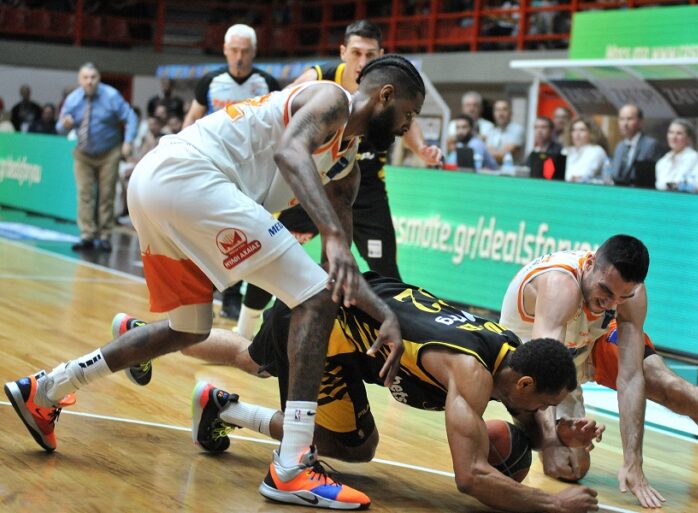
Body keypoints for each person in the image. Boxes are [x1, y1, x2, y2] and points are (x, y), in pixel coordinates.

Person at [4, 54, 430, 510]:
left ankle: (46, 389)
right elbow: (290, 153)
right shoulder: (331, 99)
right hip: (189, 176)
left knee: (188, 329)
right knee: (314, 297)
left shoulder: (345, 167)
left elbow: (337, 273)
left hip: (157, 185)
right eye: (408, 113)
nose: (408, 126)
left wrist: (383, 314)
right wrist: (330, 238)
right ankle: (291, 467)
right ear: (385, 96)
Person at [116, 273, 602, 513]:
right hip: (324, 328)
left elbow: (518, 407)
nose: (541, 413)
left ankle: (144, 337)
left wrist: (553, 437)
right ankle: (226, 410)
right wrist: (552, 504)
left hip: (341, 302)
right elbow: (470, 477)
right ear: (524, 383)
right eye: (544, 405)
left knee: (252, 358)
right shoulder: (471, 373)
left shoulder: (509, 351)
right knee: (356, 446)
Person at [498, 234, 698, 509]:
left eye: (621, 297)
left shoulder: (629, 295)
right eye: (605, 292)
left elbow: (631, 379)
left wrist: (633, 460)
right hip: (532, 367)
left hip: (585, 347)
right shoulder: (561, 285)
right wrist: (551, 439)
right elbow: (544, 370)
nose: (610, 304)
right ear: (590, 265)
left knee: (669, 386)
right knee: (570, 466)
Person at [234, 20, 442, 339]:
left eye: (370, 54)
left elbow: (406, 120)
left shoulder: (389, 88)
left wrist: (421, 150)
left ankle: (395, 337)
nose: (362, 60)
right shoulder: (320, 81)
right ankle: (246, 328)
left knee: (385, 268)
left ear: (380, 54)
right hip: (312, 177)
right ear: (343, 52)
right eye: (356, 53)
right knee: (277, 252)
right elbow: (284, 118)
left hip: (365, 186)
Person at [182, 23, 281, 320]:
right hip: (214, 166)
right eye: (234, 50)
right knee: (207, 231)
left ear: (254, 52)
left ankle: (231, 296)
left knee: (240, 234)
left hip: (254, 170)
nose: (239, 57)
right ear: (225, 50)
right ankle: (200, 292)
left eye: (245, 51)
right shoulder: (210, 81)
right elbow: (192, 119)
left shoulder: (267, 82)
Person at [55, 62, 138, 253]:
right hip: (83, 153)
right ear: (80, 80)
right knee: (85, 194)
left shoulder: (111, 96)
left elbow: (130, 117)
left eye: (93, 77)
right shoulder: (73, 100)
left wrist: (128, 141)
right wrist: (65, 125)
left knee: (106, 195)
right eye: (85, 78)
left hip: (109, 152)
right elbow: (59, 128)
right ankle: (87, 235)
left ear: (99, 78)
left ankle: (105, 236)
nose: (89, 81)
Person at [606, 104, 664, 186]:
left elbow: (650, 178)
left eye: (629, 119)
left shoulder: (651, 145)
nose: (625, 123)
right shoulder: (620, 146)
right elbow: (614, 174)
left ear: (640, 122)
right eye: (621, 119)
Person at [654, 118, 698, 191]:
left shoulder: (692, 157)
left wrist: (669, 185)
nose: (674, 137)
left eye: (679, 133)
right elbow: (659, 184)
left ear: (688, 138)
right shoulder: (662, 161)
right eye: (671, 132)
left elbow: (680, 184)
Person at [562, 116, 607, 182]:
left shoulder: (597, 150)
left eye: (582, 130)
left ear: (591, 133)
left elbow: (585, 174)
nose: (577, 134)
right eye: (574, 130)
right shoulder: (566, 150)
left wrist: (572, 178)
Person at [486, 99, 526, 164]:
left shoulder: (517, 130)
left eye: (504, 109)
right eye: (497, 110)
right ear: (494, 113)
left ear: (511, 113)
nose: (500, 113)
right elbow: (487, 152)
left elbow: (502, 156)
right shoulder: (492, 131)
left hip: (513, 169)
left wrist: (489, 154)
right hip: (494, 169)